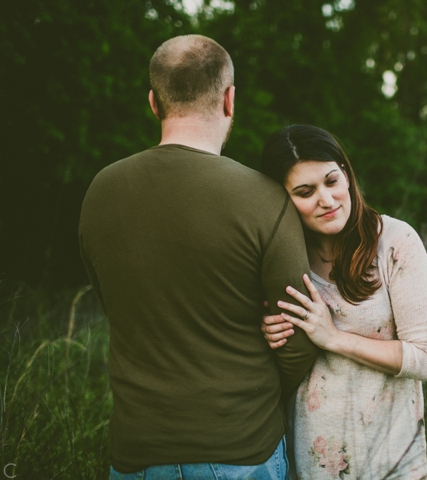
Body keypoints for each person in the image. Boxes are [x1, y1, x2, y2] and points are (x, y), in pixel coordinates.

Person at [79, 35, 318, 479]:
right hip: (241, 450)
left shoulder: (100, 192)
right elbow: (300, 338)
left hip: (136, 454)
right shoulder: (264, 199)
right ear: (230, 100)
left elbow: (112, 306)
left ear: (154, 102)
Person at [259, 125, 427, 479]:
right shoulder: (282, 260)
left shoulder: (394, 242)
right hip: (309, 463)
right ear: (282, 199)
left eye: (331, 181)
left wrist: (333, 338)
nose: (326, 200)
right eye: (304, 191)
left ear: (346, 175)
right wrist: (268, 330)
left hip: (391, 461)